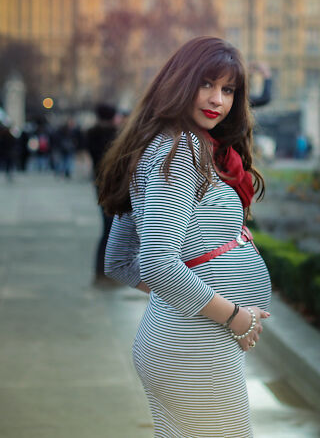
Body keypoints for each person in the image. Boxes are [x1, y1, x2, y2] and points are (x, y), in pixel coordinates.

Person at [98, 36, 272, 436]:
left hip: (182, 342)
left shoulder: (170, 145)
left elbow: (119, 262)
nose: (217, 100)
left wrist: (192, 302)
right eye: (206, 84)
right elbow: (158, 264)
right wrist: (233, 315)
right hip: (194, 350)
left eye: (228, 90)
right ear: (179, 82)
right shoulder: (180, 150)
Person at [86, 103, 120, 286]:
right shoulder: (113, 135)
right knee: (111, 230)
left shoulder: (91, 133)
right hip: (113, 185)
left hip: (99, 183)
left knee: (106, 229)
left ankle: (101, 271)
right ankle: (106, 273)